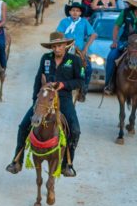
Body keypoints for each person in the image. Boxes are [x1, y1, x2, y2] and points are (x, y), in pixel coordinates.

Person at [6, 32, 83, 177]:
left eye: (59, 46)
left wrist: (63, 84)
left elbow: (80, 81)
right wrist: (36, 100)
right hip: (44, 99)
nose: (57, 49)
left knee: (75, 130)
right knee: (23, 126)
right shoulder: (45, 59)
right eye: (54, 46)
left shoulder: (74, 60)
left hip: (63, 98)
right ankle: (17, 160)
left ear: (66, 45)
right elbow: (37, 79)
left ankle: (68, 163)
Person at [56, 2, 97, 100]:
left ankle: (84, 88)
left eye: (77, 11)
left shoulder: (84, 22)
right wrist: (63, 44)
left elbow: (93, 34)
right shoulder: (64, 22)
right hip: (65, 49)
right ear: (69, 11)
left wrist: (86, 48)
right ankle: (52, 85)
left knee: (87, 68)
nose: (75, 12)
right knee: (55, 65)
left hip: (79, 50)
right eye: (73, 10)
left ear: (80, 13)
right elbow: (58, 34)